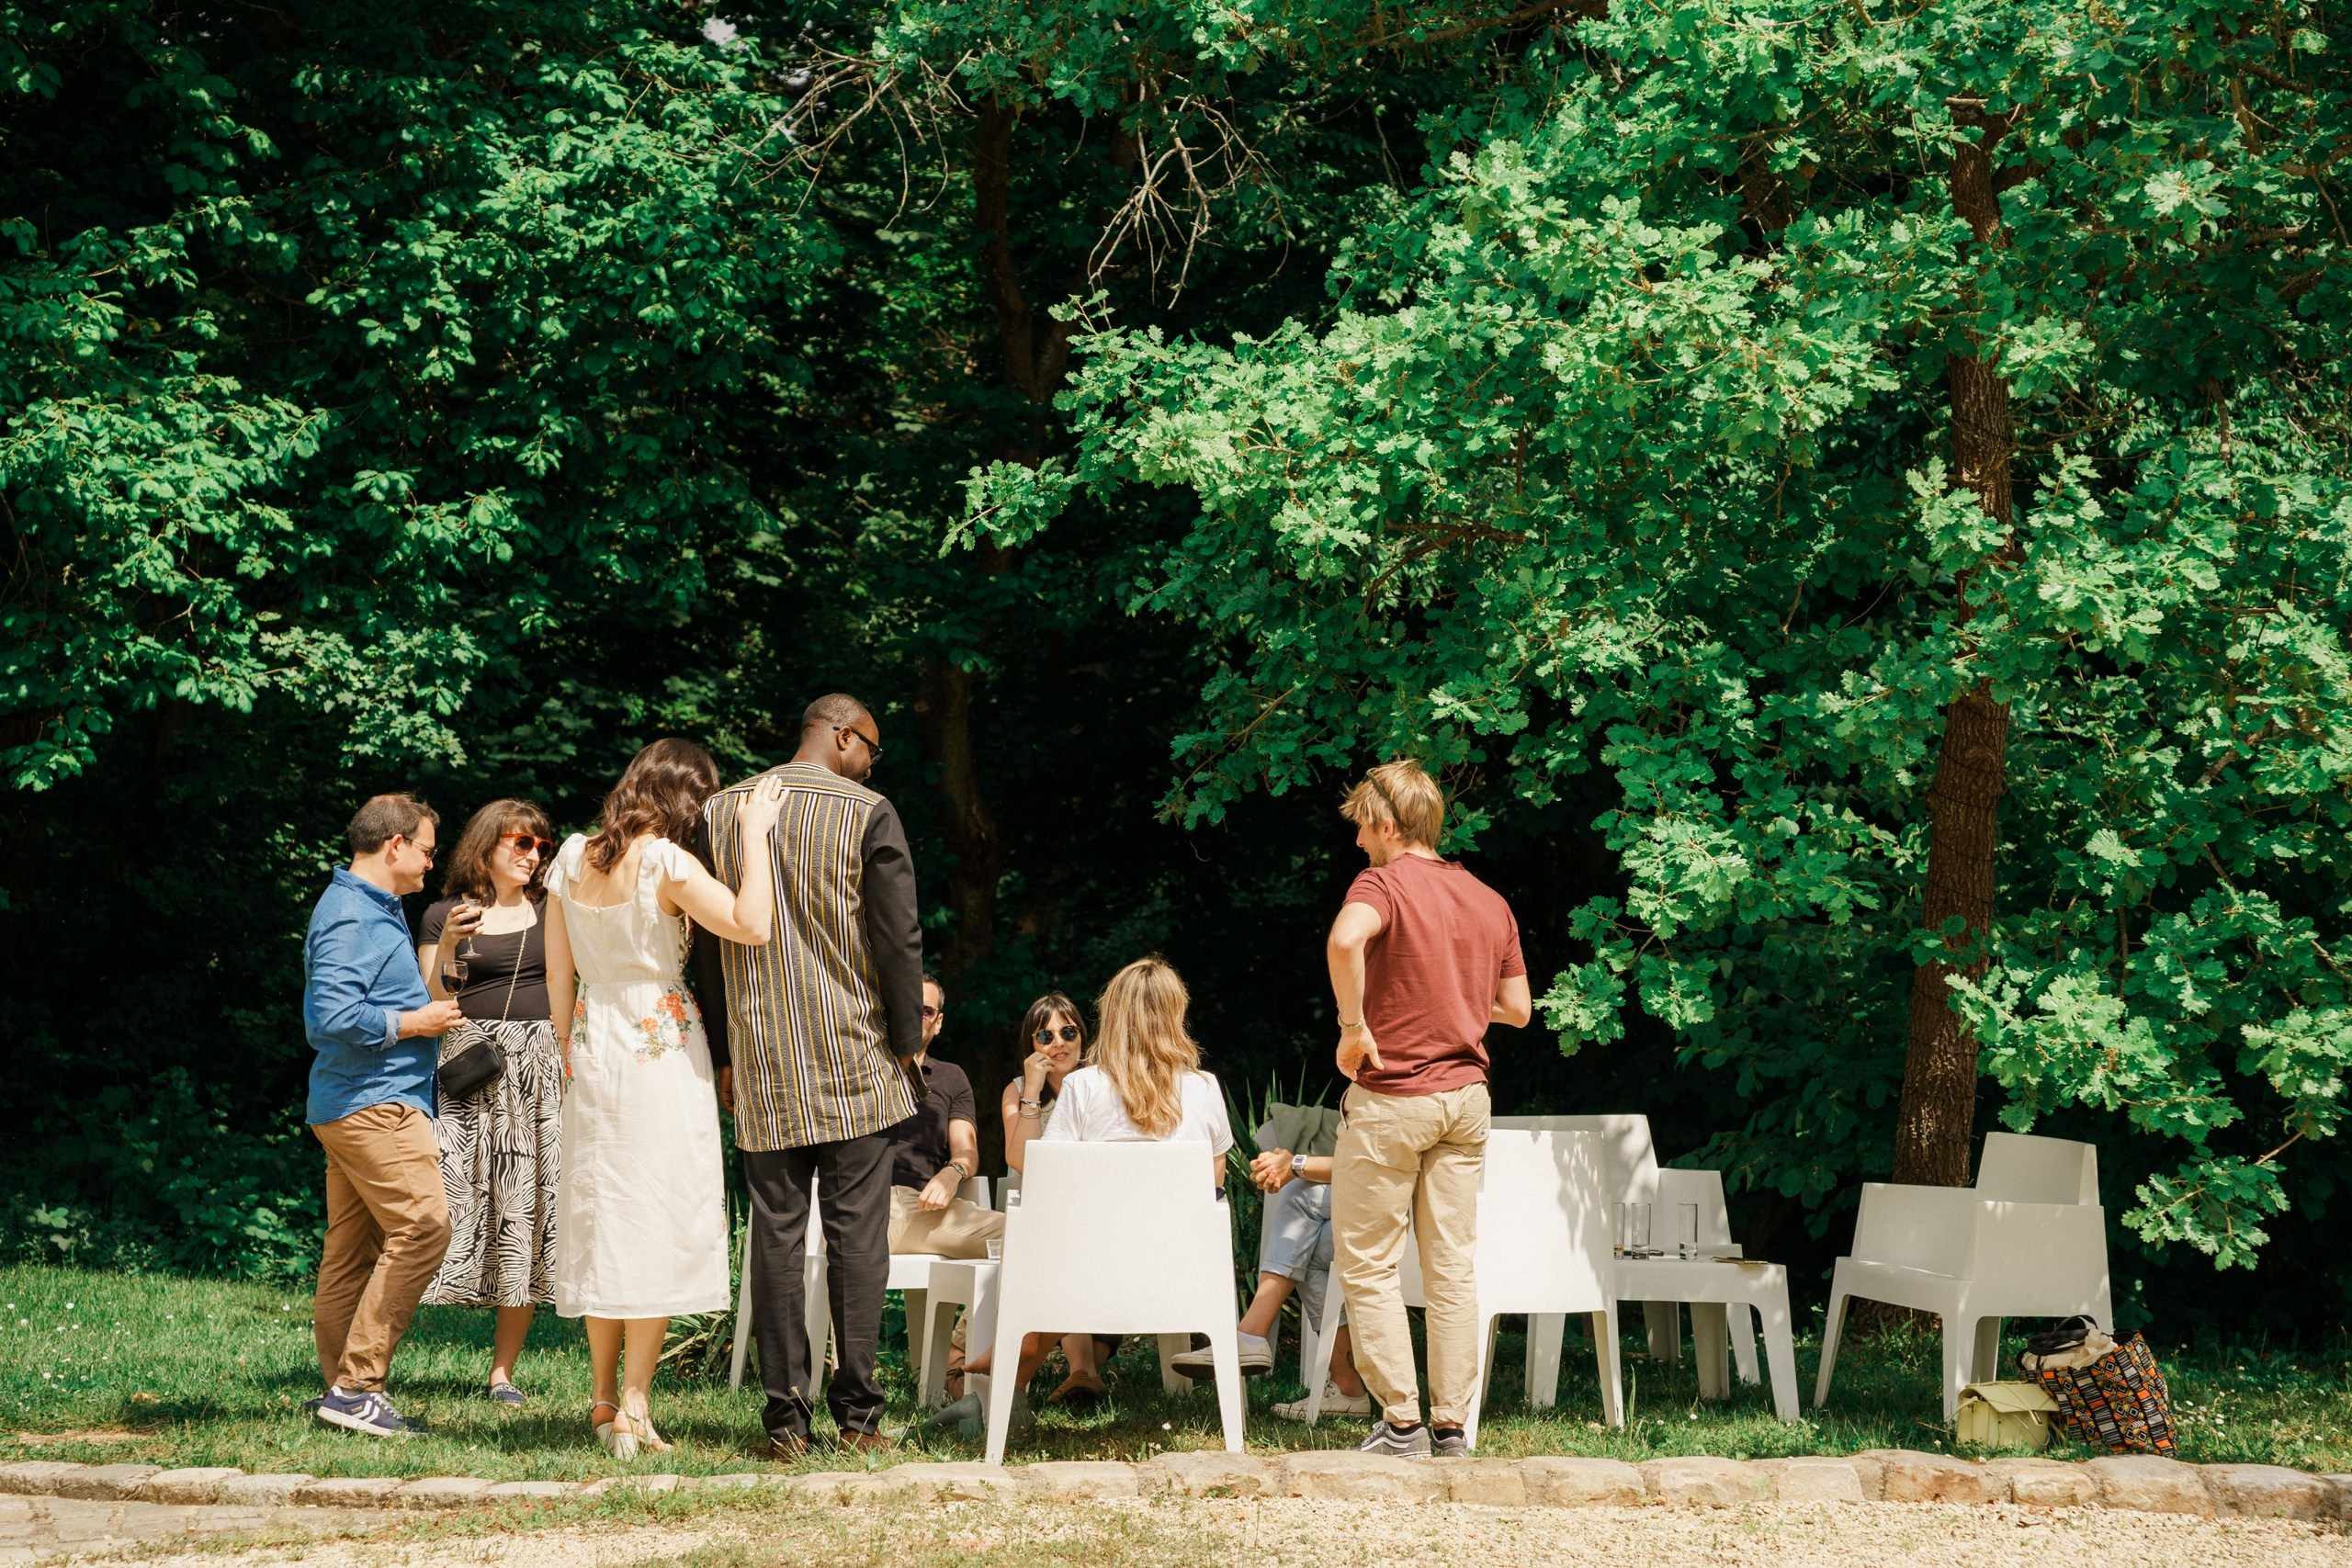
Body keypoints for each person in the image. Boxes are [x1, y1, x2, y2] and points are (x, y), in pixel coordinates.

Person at [696, 694, 927, 1460]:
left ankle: (786, 1423)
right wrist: (908, 1042)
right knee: (858, 1236)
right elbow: (897, 937)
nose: (872, 765)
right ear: (842, 735)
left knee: (776, 1236)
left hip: (763, 1061)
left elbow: (708, 943)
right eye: (871, 749)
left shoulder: (721, 812)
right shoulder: (868, 812)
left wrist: (724, 1049)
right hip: (853, 1054)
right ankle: (858, 1417)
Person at [544, 739, 787, 1460]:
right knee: (651, 1215)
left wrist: (566, 1047)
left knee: (605, 1215)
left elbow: (558, 972)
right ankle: (634, 1404)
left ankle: (601, 1398)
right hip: (660, 1049)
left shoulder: (571, 856)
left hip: (593, 1042)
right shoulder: (667, 862)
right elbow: (753, 923)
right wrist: (753, 834)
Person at [1326, 760, 1530, 1459]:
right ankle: (1451, 1427)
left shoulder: (1381, 884)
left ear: (1387, 824)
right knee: (1451, 1270)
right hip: (1466, 1103)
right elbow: (1517, 1009)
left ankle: (1403, 1425)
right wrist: (1453, 996)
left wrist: (1354, 1027)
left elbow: (1345, 940)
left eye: (1362, 826)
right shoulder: (1487, 899)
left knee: (1368, 1263)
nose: (1358, 841)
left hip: (1393, 1098)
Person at [947, 957, 1233, 1426]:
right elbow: (1212, 1189)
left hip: (1089, 1274)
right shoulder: (1205, 1088)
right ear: (1176, 1014)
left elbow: (1050, 1186)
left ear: (1111, 1015)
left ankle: (1004, 1377)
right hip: (1181, 1271)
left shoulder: (1082, 1087)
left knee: (1043, 1238)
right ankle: (1014, 1377)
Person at [303, 793, 464, 1438]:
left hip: (356, 1100)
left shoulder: (375, 908)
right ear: (395, 844)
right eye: (426, 849)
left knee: (352, 1250)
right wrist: (414, 1023)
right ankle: (356, 1386)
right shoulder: (351, 915)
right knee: (424, 1226)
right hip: (374, 1103)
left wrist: (443, 957)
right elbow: (330, 1018)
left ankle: (338, 1394)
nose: (431, 862)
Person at [413, 799, 562, 1409]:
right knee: (446, 1205)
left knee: (523, 1211)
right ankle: (375, 1355)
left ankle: (502, 1372)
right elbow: (429, 999)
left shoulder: (552, 910)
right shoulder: (445, 912)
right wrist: (450, 939)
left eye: (542, 847)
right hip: (469, 1069)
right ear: (487, 844)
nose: (533, 855)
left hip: (538, 1073)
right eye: (522, 842)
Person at [1170, 1133, 1374, 1419]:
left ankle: (1251, 1335)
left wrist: (1295, 1165)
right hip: (1394, 1208)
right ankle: (1346, 1389)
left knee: (1301, 1196)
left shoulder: (1404, 1104)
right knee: (1307, 1243)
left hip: (1407, 1209)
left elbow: (1375, 1165)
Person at [885, 974, 1003, 1259]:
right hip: (867, 1205)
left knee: (1028, 1233)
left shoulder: (951, 1077)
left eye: (925, 1011)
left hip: (926, 1209)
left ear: (938, 1022)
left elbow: (966, 1151)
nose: (915, 1016)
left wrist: (953, 1173)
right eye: (907, 1006)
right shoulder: (865, 1068)